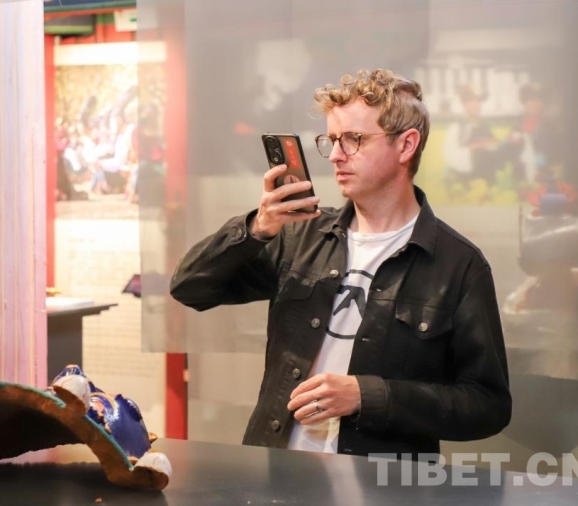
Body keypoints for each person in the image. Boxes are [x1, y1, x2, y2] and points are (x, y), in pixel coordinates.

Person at [169, 68, 512, 459]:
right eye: (331, 140)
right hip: (277, 468)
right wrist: (256, 228)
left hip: (381, 481)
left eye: (353, 139)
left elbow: (487, 406)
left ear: (406, 145)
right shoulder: (301, 236)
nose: (335, 156)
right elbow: (189, 288)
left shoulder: (458, 264)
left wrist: (368, 395)